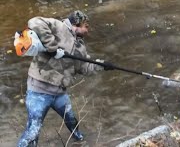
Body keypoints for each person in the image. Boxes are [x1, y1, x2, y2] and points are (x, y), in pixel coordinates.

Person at [17, 10, 111, 146]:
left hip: (60, 93)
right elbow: (34, 22)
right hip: (39, 91)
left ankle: (80, 141)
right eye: (86, 26)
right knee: (33, 131)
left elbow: (84, 68)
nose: (87, 30)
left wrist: (102, 65)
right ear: (77, 24)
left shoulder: (80, 48)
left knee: (72, 121)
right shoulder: (58, 27)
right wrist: (52, 47)